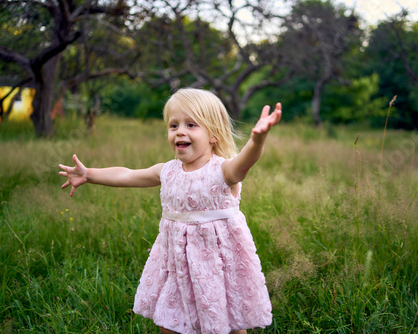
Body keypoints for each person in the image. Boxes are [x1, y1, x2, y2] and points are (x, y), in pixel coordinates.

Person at [58, 88, 282, 334]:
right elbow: (128, 174)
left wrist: (257, 141)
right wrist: (89, 174)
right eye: (173, 125)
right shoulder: (167, 171)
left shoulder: (224, 171)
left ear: (214, 135)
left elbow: (245, 162)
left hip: (217, 267)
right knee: (170, 322)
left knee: (227, 323)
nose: (180, 131)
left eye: (191, 124)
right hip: (177, 264)